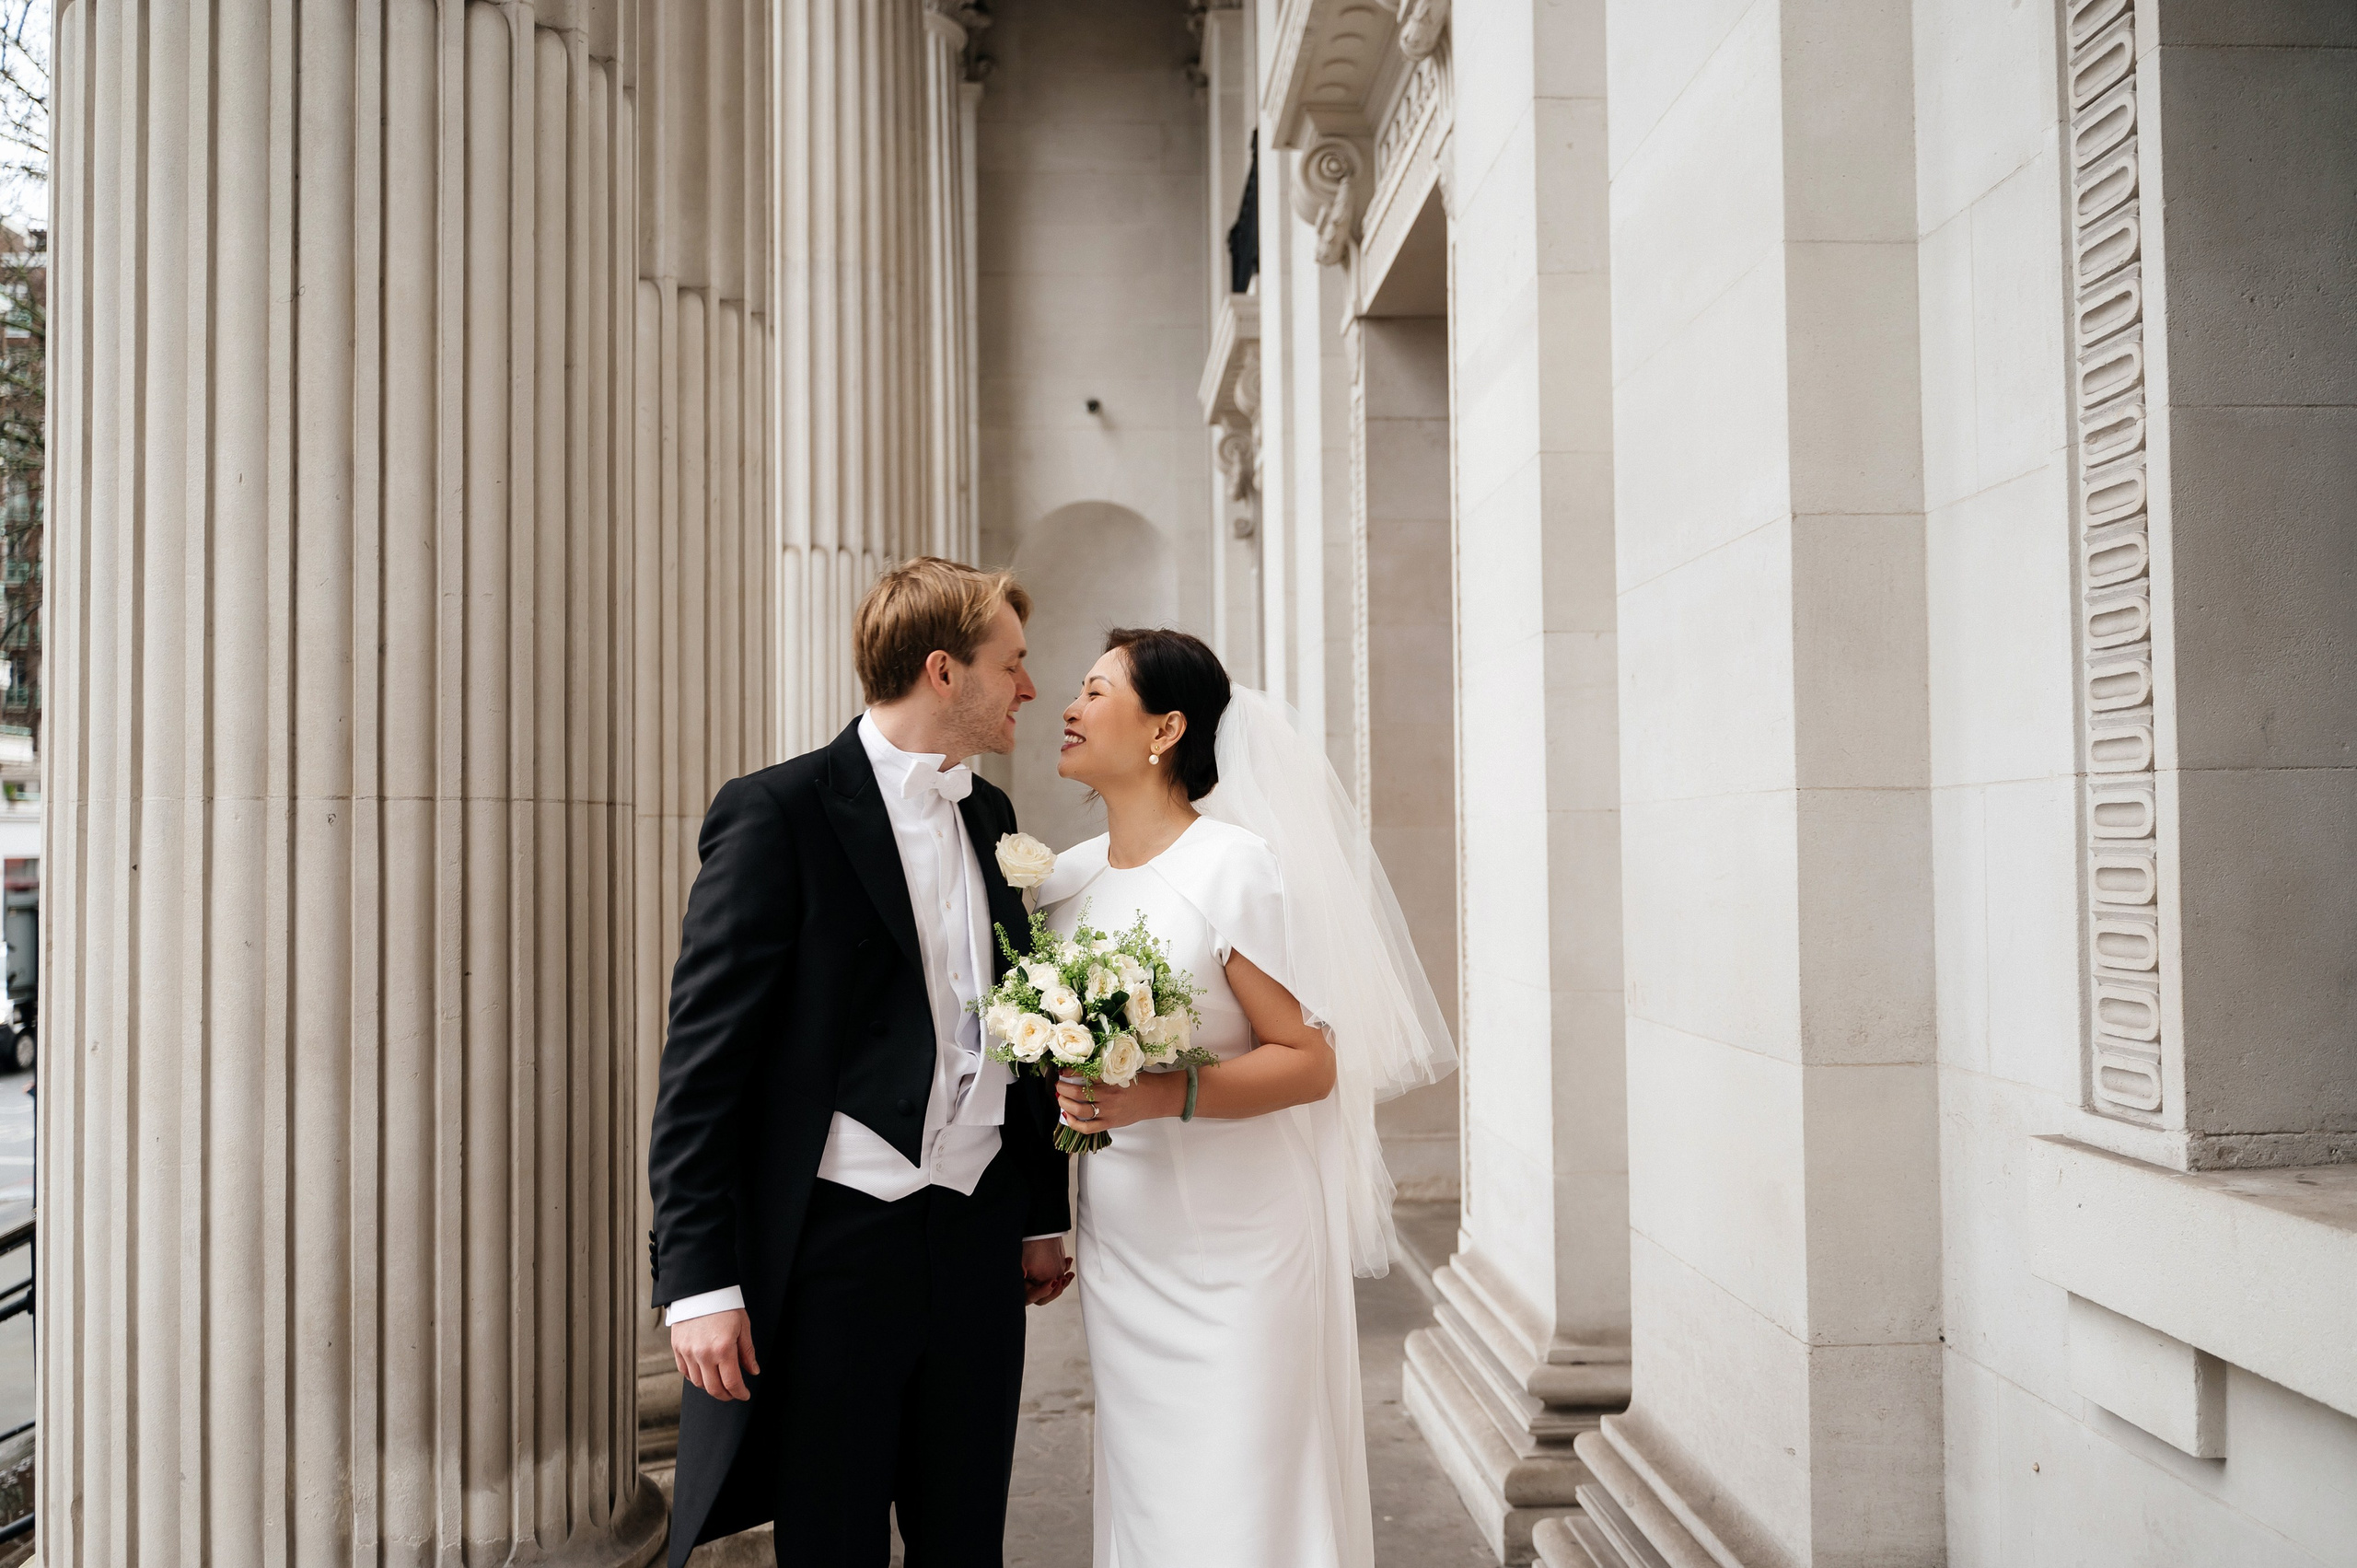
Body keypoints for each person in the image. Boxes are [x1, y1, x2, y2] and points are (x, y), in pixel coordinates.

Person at [646, 558, 1074, 1568]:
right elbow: (701, 1068)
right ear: (942, 670)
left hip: (974, 1236)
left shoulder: (991, 817)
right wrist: (698, 1281)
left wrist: (1037, 1212)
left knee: (965, 1534)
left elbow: (1016, 1027)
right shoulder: (776, 812)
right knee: (832, 1538)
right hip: (837, 1242)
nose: (1027, 687)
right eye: (1011, 664)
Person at [1033, 628, 1456, 1568]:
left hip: (1242, 1244)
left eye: (1095, 690)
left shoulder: (1236, 865)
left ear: (1164, 728)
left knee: (1242, 1492)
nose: (1067, 705)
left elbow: (1307, 1059)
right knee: (1151, 1489)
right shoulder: (1062, 879)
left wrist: (1156, 1095)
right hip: (1128, 1237)